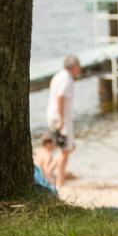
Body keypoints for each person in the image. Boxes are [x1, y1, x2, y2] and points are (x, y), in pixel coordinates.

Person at [46, 55, 82, 188]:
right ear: (74, 67)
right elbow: (60, 97)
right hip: (61, 119)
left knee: (66, 149)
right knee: (66, 150)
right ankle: (58, 181)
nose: (80, 69)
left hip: (54, 116)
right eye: (78, 67)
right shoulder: (67, 79)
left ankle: (53, 174)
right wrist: (61, 119)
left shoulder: (58, 76)